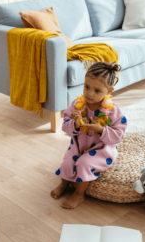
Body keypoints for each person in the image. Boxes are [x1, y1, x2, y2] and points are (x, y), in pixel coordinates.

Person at [50, 62, 127, 209]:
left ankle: (79, 194)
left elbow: (119, 134)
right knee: (67, 162)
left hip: (101, 149)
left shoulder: (113, 111)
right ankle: (63, 184)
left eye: (97, 90)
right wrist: (75, 124)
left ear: (109, 91)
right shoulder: (77, 105)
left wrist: (101, 130)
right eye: (87, 87)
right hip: (79, 145)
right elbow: (65, 124)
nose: (90, 93)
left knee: (83, 163)